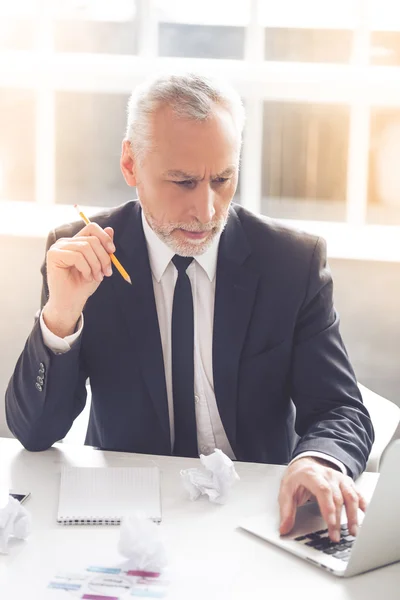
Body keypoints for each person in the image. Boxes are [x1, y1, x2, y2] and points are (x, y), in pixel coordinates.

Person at [6, 73, 374, 543]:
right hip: (127, 519)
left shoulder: (291, 263)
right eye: (182, 181)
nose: (205, 210)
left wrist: (317, 461)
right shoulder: (81, 256)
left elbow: (340, 408)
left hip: (256, 518)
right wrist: (61, 317)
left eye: (222, 180)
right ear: (130, 164)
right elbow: (35, 434)